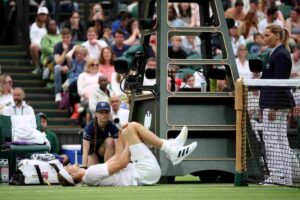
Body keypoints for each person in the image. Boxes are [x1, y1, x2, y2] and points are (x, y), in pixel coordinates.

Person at [57, 122, 197, 186]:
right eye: (68, 168)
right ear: (73, 175)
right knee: (133, 127)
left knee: (127, 130)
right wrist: (129, 140)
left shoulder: (90, 175)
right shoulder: (91, 173)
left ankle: (171, 146)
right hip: (145, 172)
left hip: (146, 173)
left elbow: (117, 158)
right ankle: (172, 150)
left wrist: (123, 137)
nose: (69, 164)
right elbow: (122, 162)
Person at [252, 24, 297, 186]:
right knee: (279, 139)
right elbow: (270, 80)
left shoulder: (281, 55)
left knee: (272, 140)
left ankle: (278, 176)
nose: (264, 38)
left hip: (275, 104)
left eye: (267, 35)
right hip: (273, 102)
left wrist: (273, 107)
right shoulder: (276, 53)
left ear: (277, 36)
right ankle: (286, 176)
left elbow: (280, 83)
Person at [82, 101, 118, 167]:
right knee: (92, 172)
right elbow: (85, 150)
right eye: (101, 112)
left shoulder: (112, 126)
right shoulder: (89, 127)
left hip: (102, 150)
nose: (104, 114)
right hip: (91, 151)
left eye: (106, 112)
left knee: (110, 141)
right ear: (96, 114)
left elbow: (118, 147)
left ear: (110, 113)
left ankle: (107, 169)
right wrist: (84, 167)